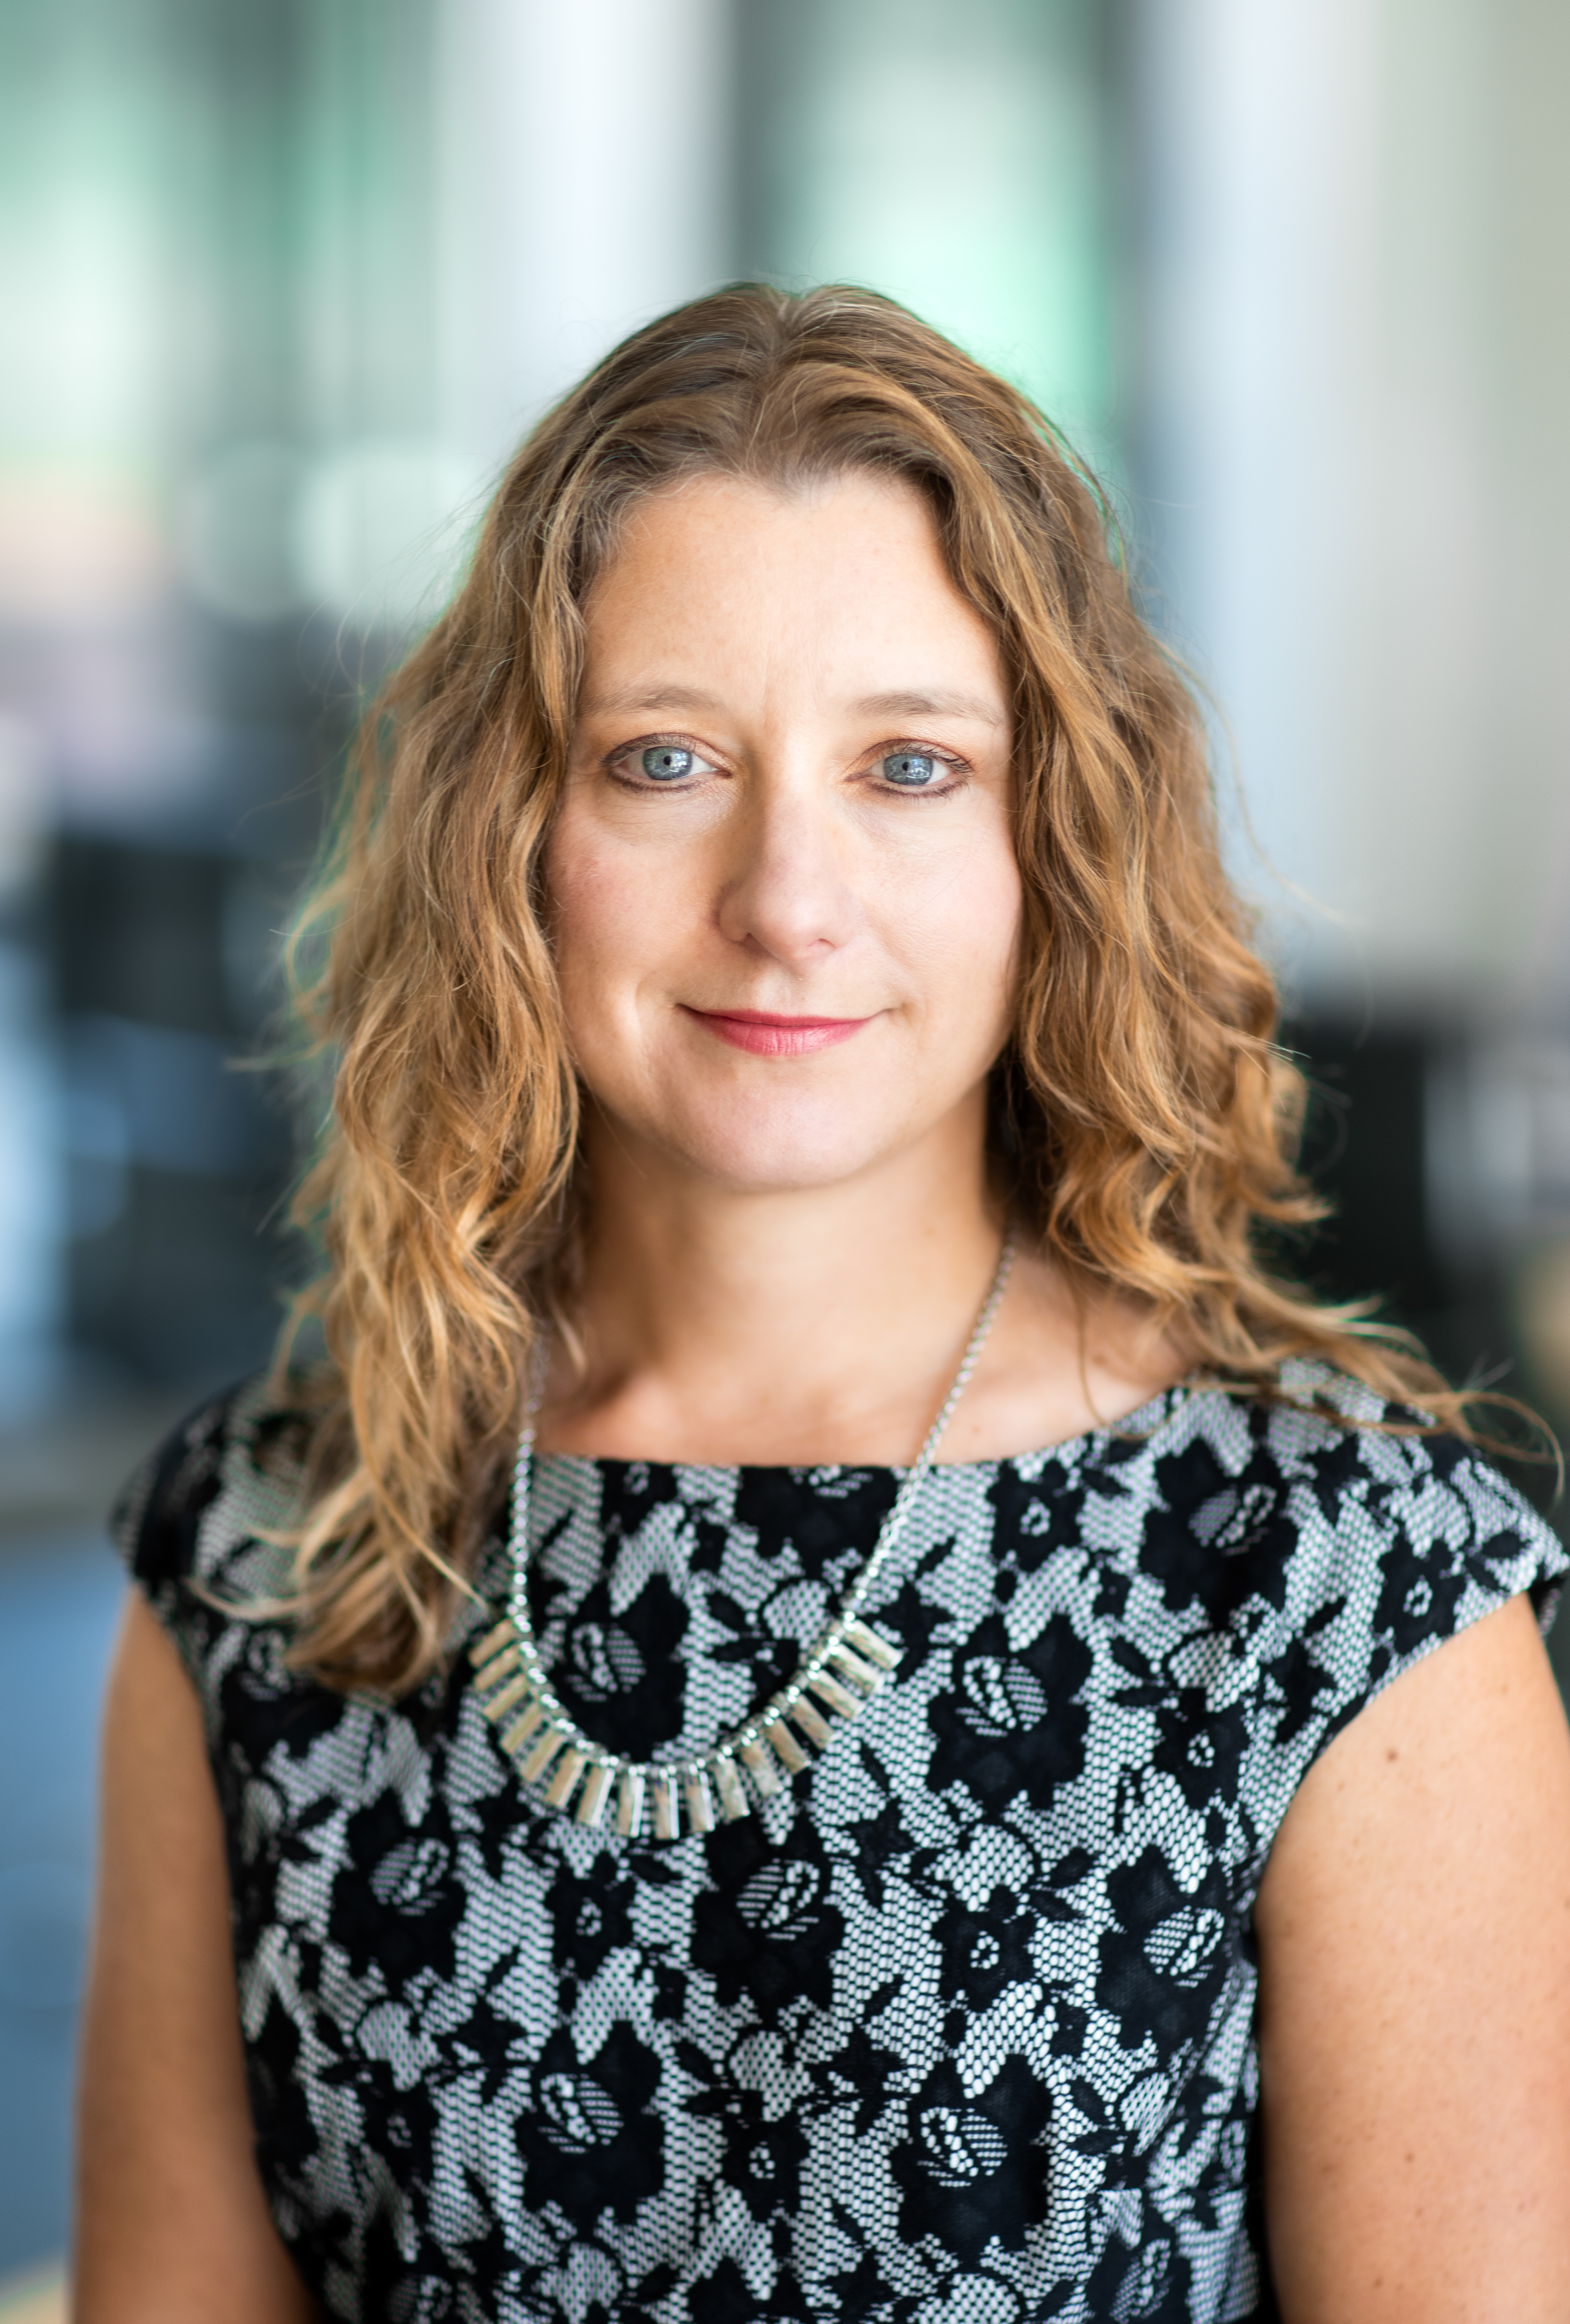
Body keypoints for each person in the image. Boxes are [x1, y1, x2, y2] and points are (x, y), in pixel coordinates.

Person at [77, 286, 1570, 2324]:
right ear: (512, 839)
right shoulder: (262, 1548)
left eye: (909, 765)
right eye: (665, 758)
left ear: (1053, 834)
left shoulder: (1337, 1593)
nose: (787, 896)